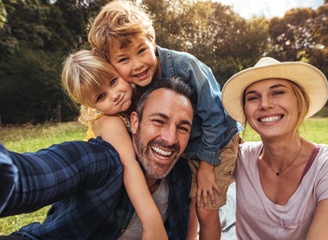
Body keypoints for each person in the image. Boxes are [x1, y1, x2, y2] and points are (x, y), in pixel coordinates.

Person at [87, 1, 243, 239]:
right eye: (123, 59)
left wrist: (207, 167)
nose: (137, 64)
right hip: (183, 146)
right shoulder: (129, 87)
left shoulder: (185, 66)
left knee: (205, 205)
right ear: (111, 64)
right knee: (187, 200)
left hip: (218, 142)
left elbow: (216, 116)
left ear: (152, 40)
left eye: (141, 51)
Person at [0, 77, 195, 240]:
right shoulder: (101, 161)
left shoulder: (182, 177)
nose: (170, 139)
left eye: (182, 128)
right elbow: (32, 177)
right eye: (158, 121)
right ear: (135, 122)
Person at [221, 57, 328, 239]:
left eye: (277, 92)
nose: (264, 104)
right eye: (253, 97)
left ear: (300, 102)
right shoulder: (240, 158)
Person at [61, 49, 167, 239]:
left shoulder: (138, 98)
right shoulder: (109, 121)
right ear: (90, 105)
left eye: (113, 81)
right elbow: (129, 165)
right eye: (100, 97)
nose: (114, 95)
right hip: (98, 201)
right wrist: (152, 223)